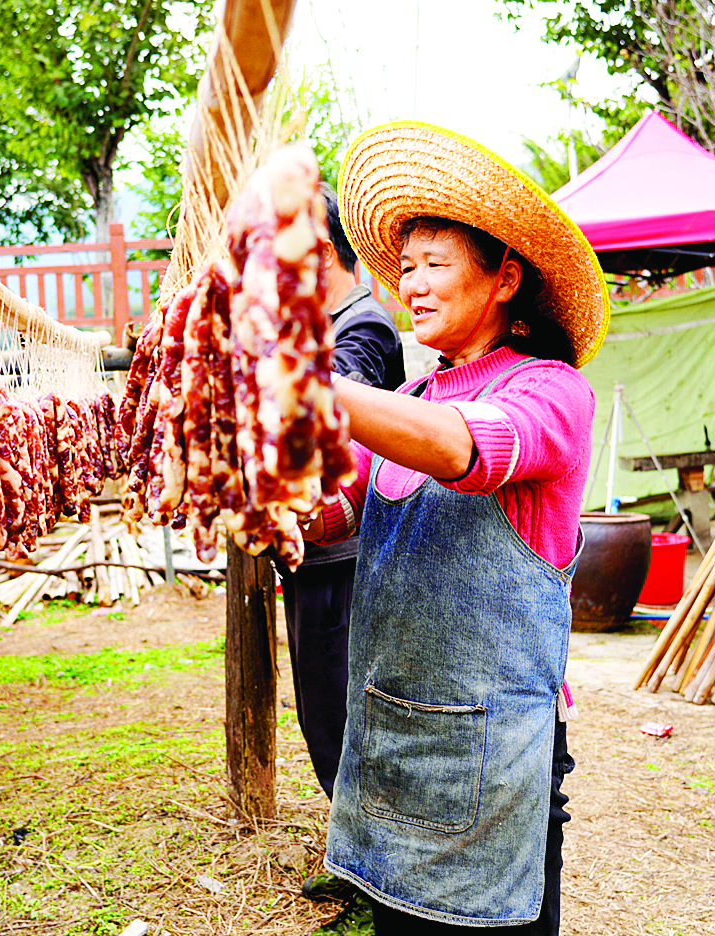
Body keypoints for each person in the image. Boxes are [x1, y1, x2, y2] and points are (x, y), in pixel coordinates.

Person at [302, 122, 609, 934]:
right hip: (393, 735)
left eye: (436, 265)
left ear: (504, 277)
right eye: (404, 269)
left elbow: (463, 449)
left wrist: (303, 382)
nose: (413, 287)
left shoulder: (549, 393)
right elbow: (340, 512)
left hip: (489, 758)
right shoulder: (412, 400)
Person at [277, 184, 405, 815]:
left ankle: (371, 865)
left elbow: (331, 403)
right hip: (318, 553)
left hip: (346, 557)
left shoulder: (365, 328)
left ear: (320, 253)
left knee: (342, 713)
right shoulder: (321, 328)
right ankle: (357, 854)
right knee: (322, 710)